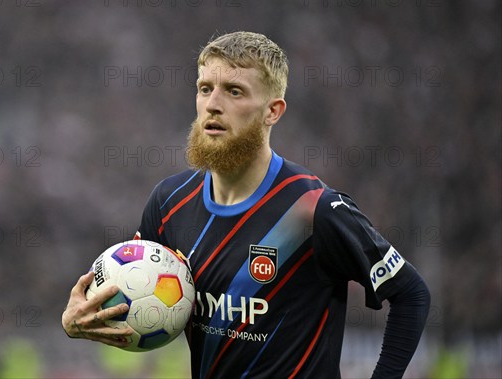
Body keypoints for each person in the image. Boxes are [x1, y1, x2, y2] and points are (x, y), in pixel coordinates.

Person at [62, 31, 431, 378]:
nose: (212, 104)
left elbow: (411, 294)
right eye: (205, 88)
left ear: (273, 111)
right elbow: (143, 303)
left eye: (234, 92)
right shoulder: (169, 202)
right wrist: (83, 321)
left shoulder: (313, 210)